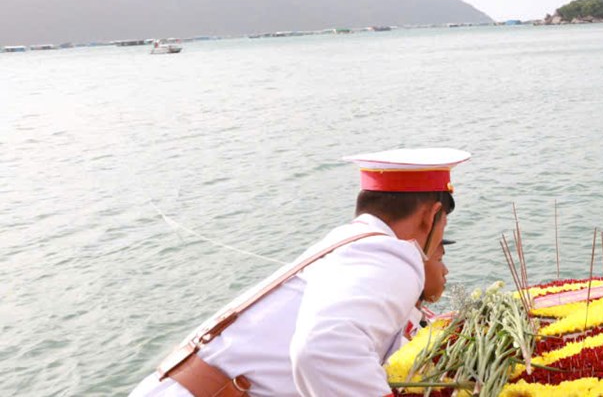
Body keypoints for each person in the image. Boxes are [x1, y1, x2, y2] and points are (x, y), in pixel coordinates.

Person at [130, 148, 469, 397]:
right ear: (431, 215)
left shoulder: (350, 245)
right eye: (443, 226)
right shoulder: (391, 253)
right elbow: (322, 348)